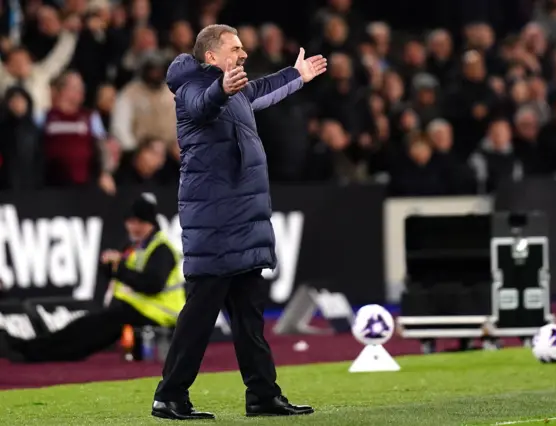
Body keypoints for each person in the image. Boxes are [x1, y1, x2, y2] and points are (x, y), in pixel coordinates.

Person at [152, 24, 326, 420]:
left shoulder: (236, 91)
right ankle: (170, 395)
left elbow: (259, 91)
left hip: (241, 223)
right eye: (235, 48)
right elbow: (203, 105)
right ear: (211, 56)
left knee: (249, 320)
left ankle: (263, 394)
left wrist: (296, 76)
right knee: (199, 317)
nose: (243, 53)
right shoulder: (191, 86)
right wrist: (221, 90)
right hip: (215, 223)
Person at [0, 193, 185, 363]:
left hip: (158, 314)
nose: (132, 227)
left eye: (137, 222)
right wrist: (110, 268)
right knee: (83, 328)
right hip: (138, 311)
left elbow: (153, 285)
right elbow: (128, 278)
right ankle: (28, 349)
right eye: (129, 221)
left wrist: (118, 269)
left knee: (88, 331)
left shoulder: (161, 249)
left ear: (149, 222)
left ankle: (31, 352)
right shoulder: (139, 246)